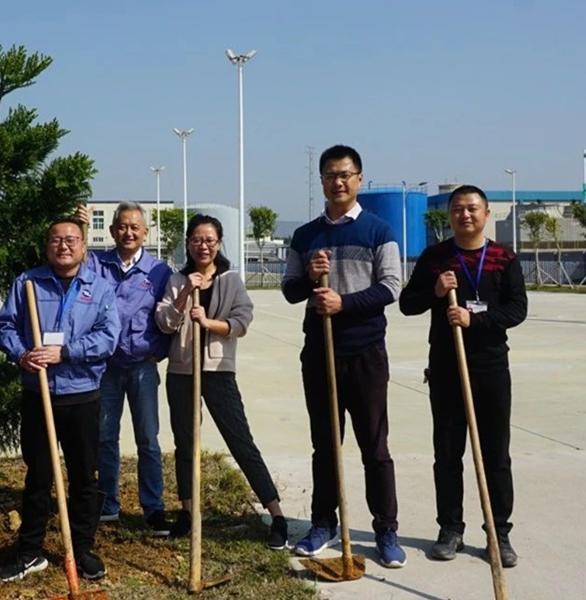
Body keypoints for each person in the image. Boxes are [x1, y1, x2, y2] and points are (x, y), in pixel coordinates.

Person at [281, 144, 406, 568]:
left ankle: (386, 529)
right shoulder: (305, 235)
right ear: (321, 182)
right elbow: (290, 289)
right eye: (330, 175)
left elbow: (392, 287)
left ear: (359, 179)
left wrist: (344, 303)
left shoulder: (378, 230)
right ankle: (322, 523)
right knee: (325, 445)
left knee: (374, 445)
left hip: (365, 351)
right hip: (319, 351)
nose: (338, 182)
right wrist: (312, 276)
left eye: (346, 175)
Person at [399, 184, 526, 567]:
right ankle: (450, 529)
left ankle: (498, 532)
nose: (465, 215)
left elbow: (517, 309)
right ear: (450, 215)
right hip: (446, 368)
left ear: (486, 214)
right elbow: (407, 304)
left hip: (490, 368)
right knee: (448, 453)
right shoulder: (436, 257)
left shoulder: (504, 258)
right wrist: (436, 291)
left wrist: (476, 319)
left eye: (472, 208)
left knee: (495, 455)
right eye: (457, 209)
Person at [0, 219, 121, 583]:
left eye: (71, 240)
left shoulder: (99, 289)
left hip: (81, 396)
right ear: (47, 245)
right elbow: (6, 326)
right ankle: (30, 550)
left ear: (83, 245)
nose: (63, 246)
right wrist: (22, 355)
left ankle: (80, 547)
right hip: (39, 395)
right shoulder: (28, 283)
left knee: (84, 476)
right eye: (55, 240)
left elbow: (108, 338)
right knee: (38, 475)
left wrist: (64, 352)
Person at [155, 213, 288, 548]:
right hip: (182, 372)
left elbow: (241, 322)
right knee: (185, 444)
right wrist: (186, 293)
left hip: (218, 372)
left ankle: (277, 514)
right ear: (187, 243)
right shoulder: (175, 280)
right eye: (197, 240)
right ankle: (187, 511)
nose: (204, 246)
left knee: (240, 440)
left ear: (219, 243)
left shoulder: (231, 280)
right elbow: (164, 322)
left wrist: (209, 323)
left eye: (210, 240)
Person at [75, 202, 175, 535]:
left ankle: (153, 507)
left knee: (148, 438)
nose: (128, 232)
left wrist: (157, 353)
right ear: (113, 230)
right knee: (105, 437)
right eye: (122, 226)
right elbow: (77, 261)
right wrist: (82, 226)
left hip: (143, 367)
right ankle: (108, 503)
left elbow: (168, 316)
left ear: (145, 232)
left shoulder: (159, 271)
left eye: (135, 227)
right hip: (106, 368)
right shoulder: (98, 264)